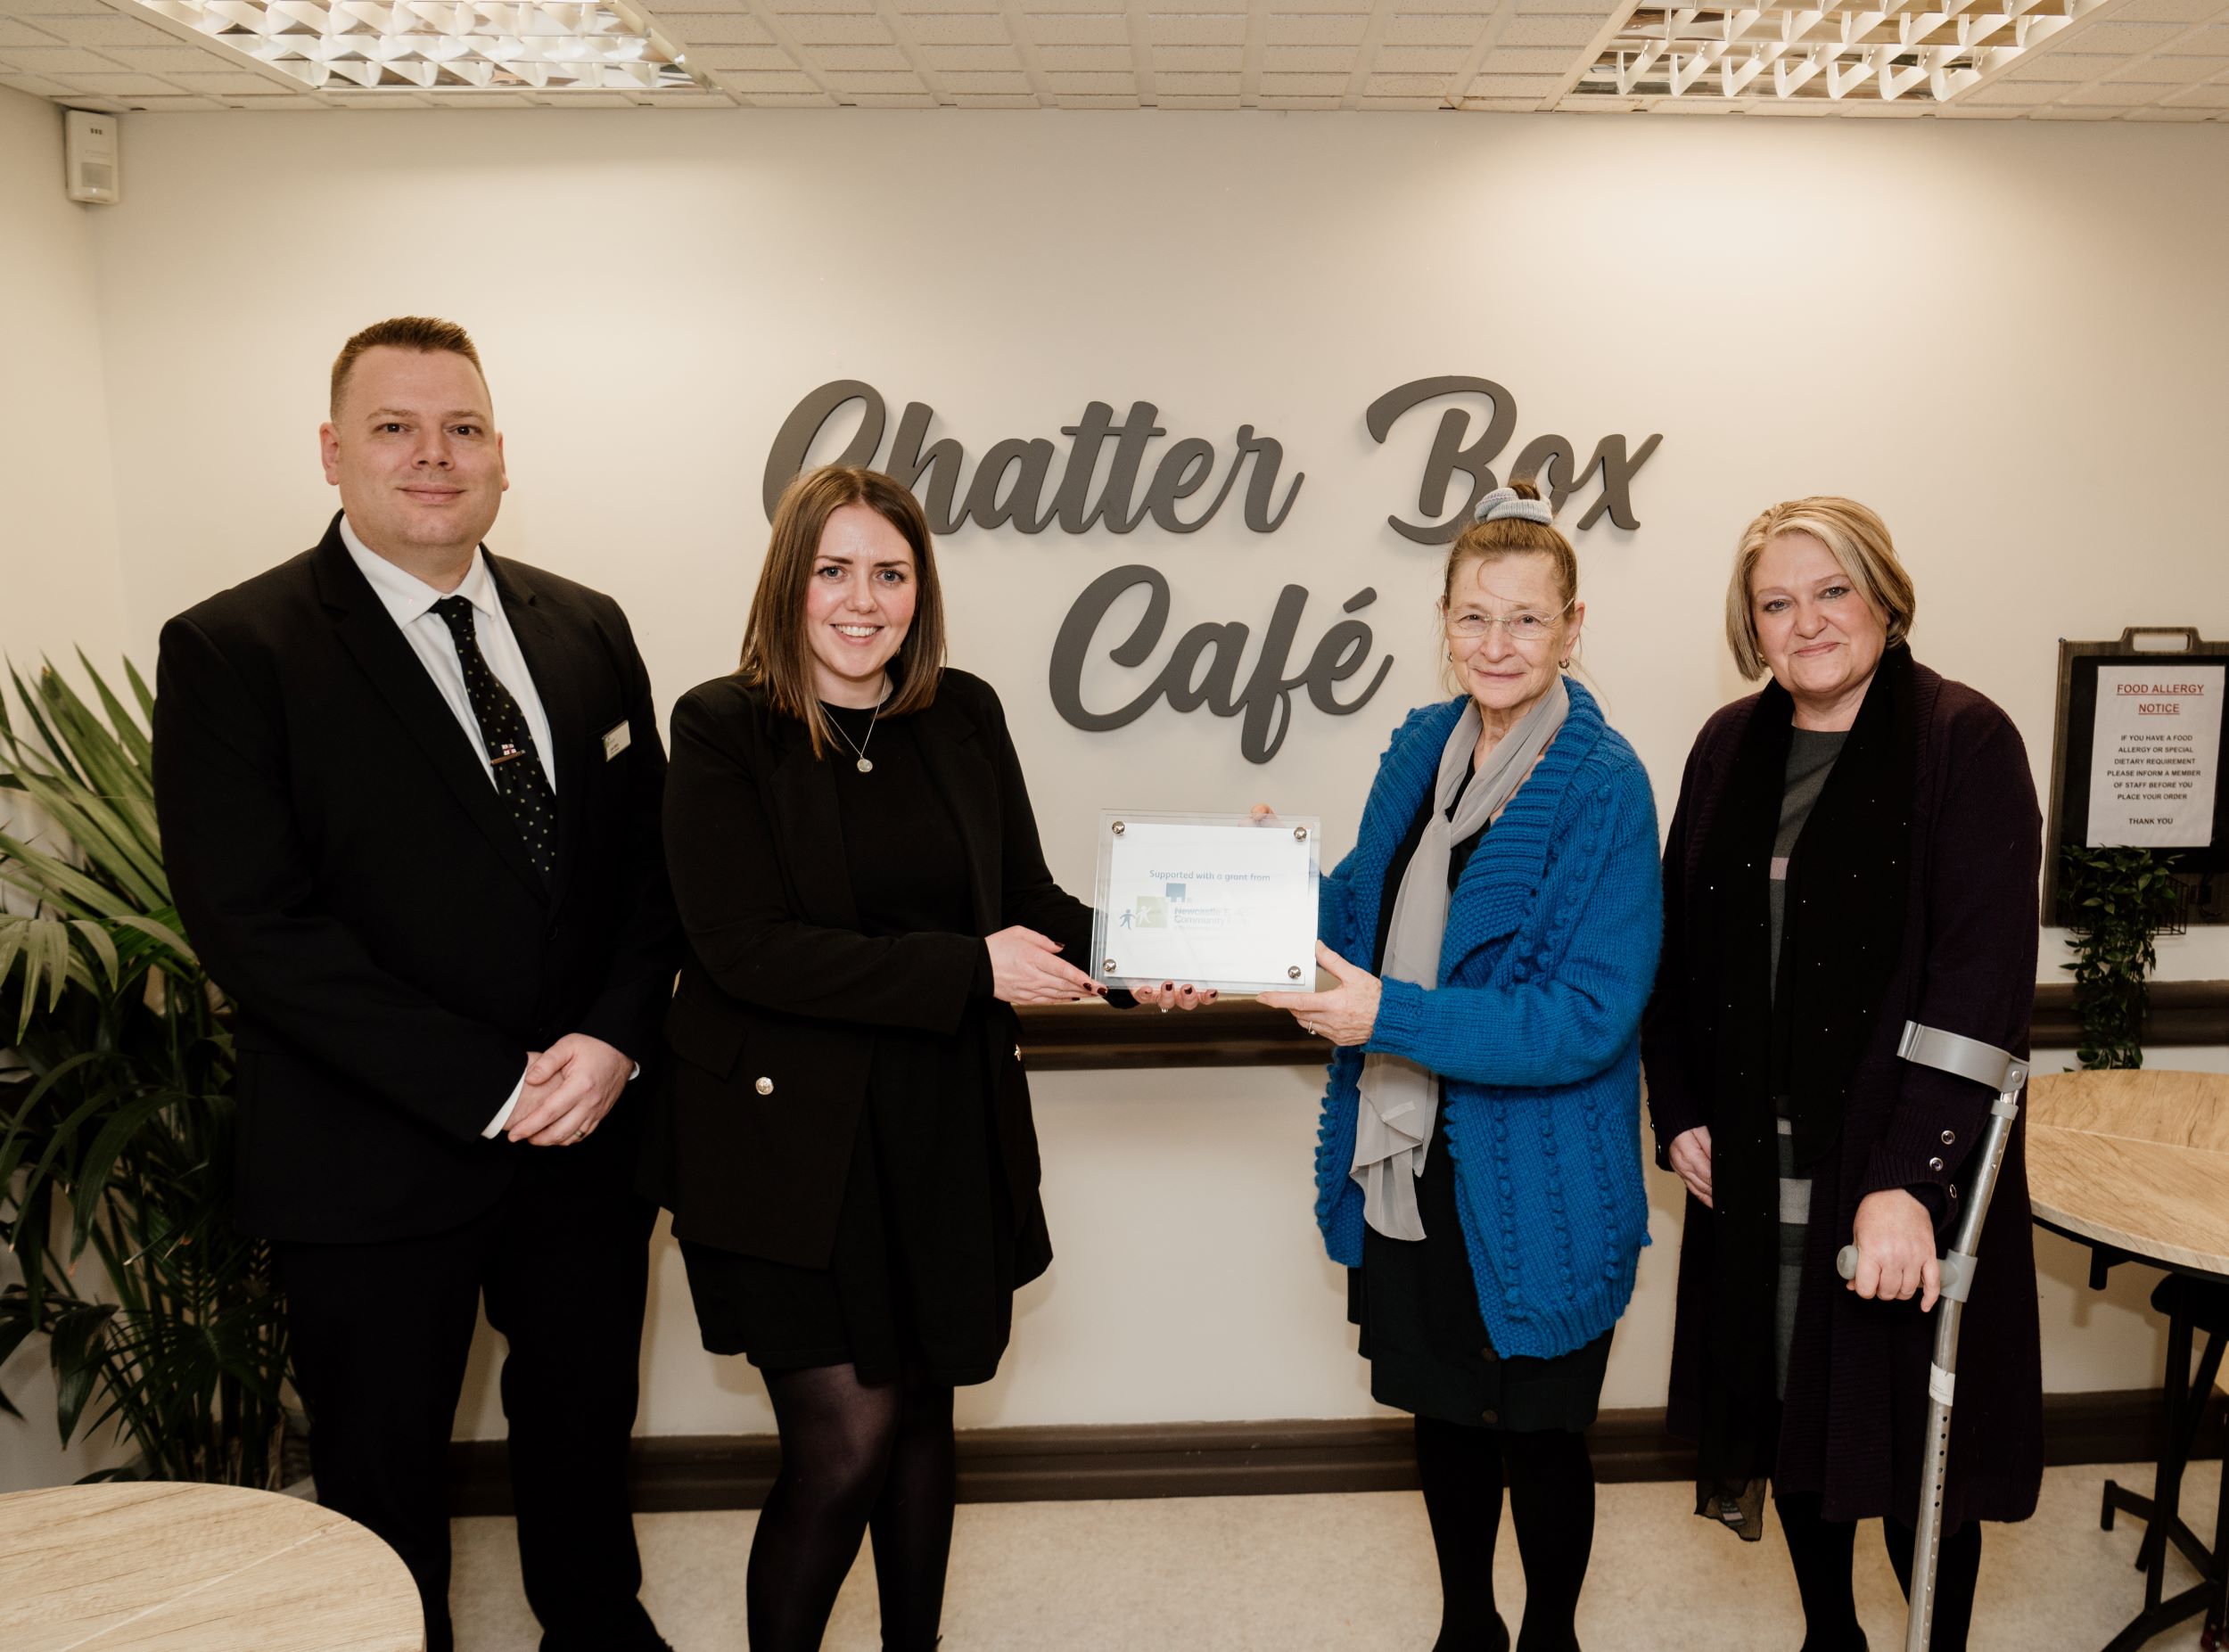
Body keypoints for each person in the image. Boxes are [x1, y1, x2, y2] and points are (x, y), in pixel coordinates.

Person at [152, 316, 679, 1652]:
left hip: (585, 1147)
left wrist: (614, 1040)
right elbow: (258, 930)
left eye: (463, 428)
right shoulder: (236, 650)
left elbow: (647, 872)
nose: (432, 456)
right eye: (395, 428)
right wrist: (492, 1081)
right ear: (333, 452)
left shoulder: (587, 626)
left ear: (503, 455)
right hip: (370, 1161)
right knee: (382, 1488)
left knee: (582, 1445)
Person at [647, 464, 1207, 1652]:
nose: (864, 600)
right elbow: (746, 949)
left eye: (891, 573)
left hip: (943, 1125)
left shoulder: (962, 713)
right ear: (790, 580)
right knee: (843, 1443)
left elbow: (1027, 900)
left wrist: (1140, 955)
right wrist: (968, 968)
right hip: (793, 1155)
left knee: (923, 1423)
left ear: (921, 587)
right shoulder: (721, 726)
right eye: (835, 570)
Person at [1254, 480, 1662, 1652]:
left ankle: (1549, 1635)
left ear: (1573, 626)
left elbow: (1584, 1016)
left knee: (1538, 1433)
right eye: (1476, 617)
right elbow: (1361, 911)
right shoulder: (1419, 746)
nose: (1498, 643)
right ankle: (1466, 1624)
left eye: (1527, 619)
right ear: (1444, 621)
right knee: (1443, 1418)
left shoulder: (1603, 782)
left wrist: (1392, 1015)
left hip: (1539, 1177)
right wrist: (1260, 895)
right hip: (1415, 1155)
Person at [1642, 497, 2043, 1650]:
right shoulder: (1727, 746)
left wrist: (1908, 1180)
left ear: (1883, 596)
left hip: (1907, 1161)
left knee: (1921, 1448)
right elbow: (1681, 953)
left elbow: (1980, 987)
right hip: (1758, 1169)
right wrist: (1678, 1112)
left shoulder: (1963, 739)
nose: (1807, 620)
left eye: (1831, 590)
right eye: (1777, 601)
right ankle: (1832, 1635)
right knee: (1792, 1420)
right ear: (1750, 624)